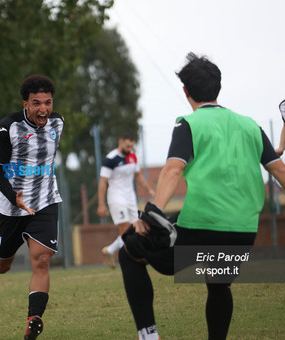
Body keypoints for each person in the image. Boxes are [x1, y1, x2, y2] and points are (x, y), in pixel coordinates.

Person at [118, 52, 285, 340]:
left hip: (201, 228)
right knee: (219, 283)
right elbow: (280, 171)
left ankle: (148, 335)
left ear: (186, 91)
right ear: (218, 86)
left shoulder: (189, 123)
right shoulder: (251, 126)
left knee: (130, 252)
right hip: (243, 230)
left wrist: (150, 214)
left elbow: (172, 170)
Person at [0, 75, 64, 340]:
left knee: (42, 259)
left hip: (45, 200)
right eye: (36, 103)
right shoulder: (8, 127)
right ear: (25, 104)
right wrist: (14, 197)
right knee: (2, 265)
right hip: (11, 206)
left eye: (47, 103)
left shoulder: (58, 122)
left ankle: (34, 320)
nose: (43, 109)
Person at [97, 134, 155, 268]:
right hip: (117, 199)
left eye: (131, 146)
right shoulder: (110, 160)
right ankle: (132, 259)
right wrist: (101, 204)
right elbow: (103, 182)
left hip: (131, 199)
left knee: (137, 230)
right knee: (125, 230)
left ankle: (110, 250)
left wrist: (149, 189)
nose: (130, 149)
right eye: (127, 146)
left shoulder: (132, 156)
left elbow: (138, 176)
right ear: (120, 143)